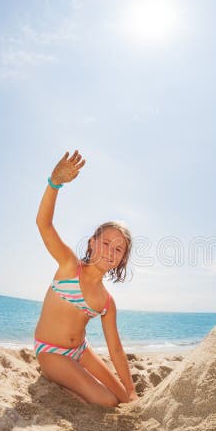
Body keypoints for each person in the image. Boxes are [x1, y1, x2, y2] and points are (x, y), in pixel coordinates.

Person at [33, 150, 137, 407]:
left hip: (80, 350)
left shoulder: (106, 301)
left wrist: (132, 392)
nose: (110, 251)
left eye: (118, 249)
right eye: (105, 243)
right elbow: (43, 224)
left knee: (123, 399)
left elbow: (116, 350)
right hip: (50, 351)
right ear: (91, 243)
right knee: (105, 401)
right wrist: (54, 183)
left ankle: (83, 381)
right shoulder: (70, 266)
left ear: (121, 260)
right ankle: (60, 383)